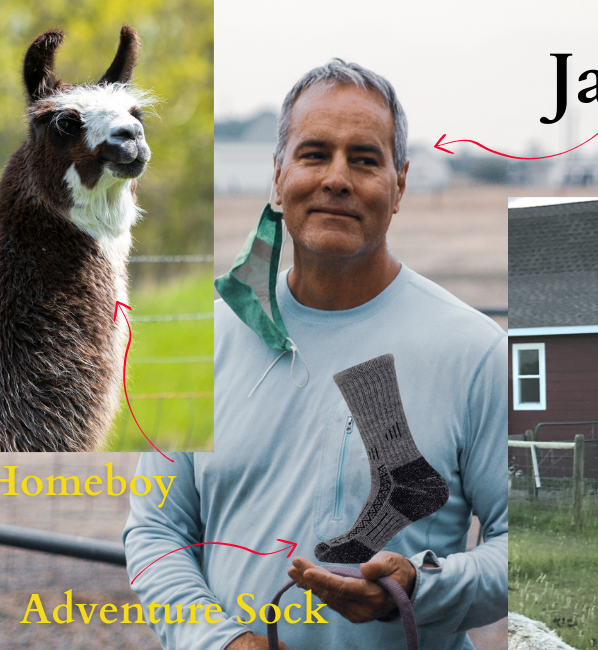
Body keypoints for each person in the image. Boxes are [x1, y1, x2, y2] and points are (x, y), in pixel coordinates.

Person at [124, 59, 507, 650]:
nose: (337, 178)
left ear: (399, 185)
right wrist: (222, 642)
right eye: (314, 154)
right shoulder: (205, 341)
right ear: (278, 177)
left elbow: (522, 545)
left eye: (365, 159)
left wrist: (418, 587)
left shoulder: (476, 351)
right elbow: (156, 530)